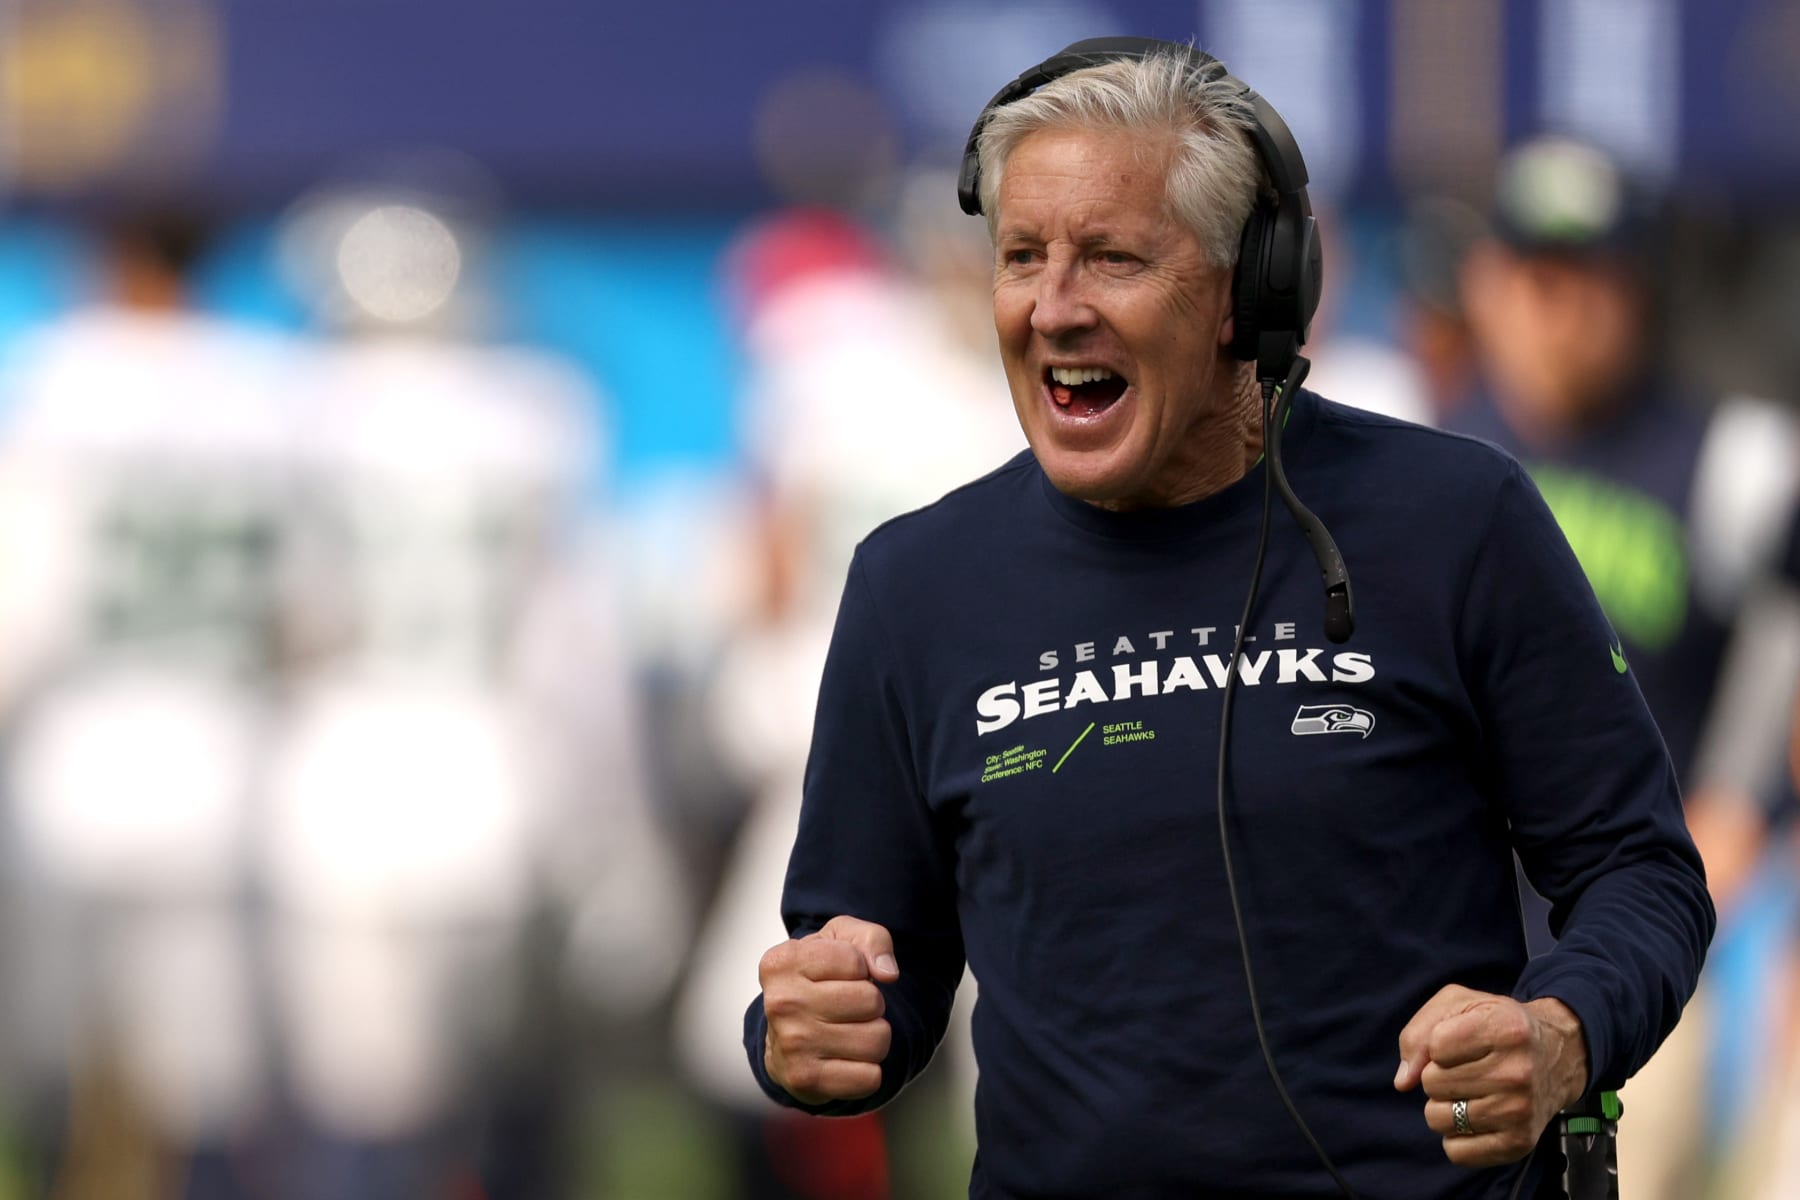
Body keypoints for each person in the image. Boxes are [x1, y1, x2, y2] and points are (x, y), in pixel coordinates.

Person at [742, 40, 1713, 1199]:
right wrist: (805, 1031)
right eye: (1020, 258)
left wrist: (1561, 1032)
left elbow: (1641, 872)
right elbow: (862, 973)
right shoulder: (914, 586)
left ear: (1246, 293)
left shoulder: (1457, 518)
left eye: (1111, 258)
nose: (1053, 308)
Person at [1450, 135, 1800, 1198]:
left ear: (1638, 288)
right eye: (1536, 276)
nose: (1560, 309)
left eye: (1591, 279)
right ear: (1487, 284)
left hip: (1659, 914)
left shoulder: (1736, 457)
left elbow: (1785, 644)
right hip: (1468, 919)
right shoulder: (1428, 458)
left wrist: (1739, 799)